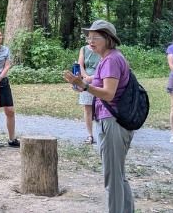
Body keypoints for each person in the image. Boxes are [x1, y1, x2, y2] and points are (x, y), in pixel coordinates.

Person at [64, 20, 134, 213]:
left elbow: (109, 93)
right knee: (118, 175)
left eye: (96, 37)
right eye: (89, 37)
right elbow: (98, 86)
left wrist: (85, 86)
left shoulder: (111, 60)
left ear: (108, 39)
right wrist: (81, 84)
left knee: (112, 178)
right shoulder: (108, 58)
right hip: (112, 120)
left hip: (113, 122)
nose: (90, 41)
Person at [78, 42, 101, 144]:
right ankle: (90, 135)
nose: (91, 40)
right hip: (86, 81)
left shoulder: (102, 48)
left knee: (101, 108)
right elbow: (80, 65)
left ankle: (101, 134)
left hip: (100, 80)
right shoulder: (83, 49)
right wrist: (86, 77)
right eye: (89, 37)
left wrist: (94, 77)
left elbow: (104, 65)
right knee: (88, 109)